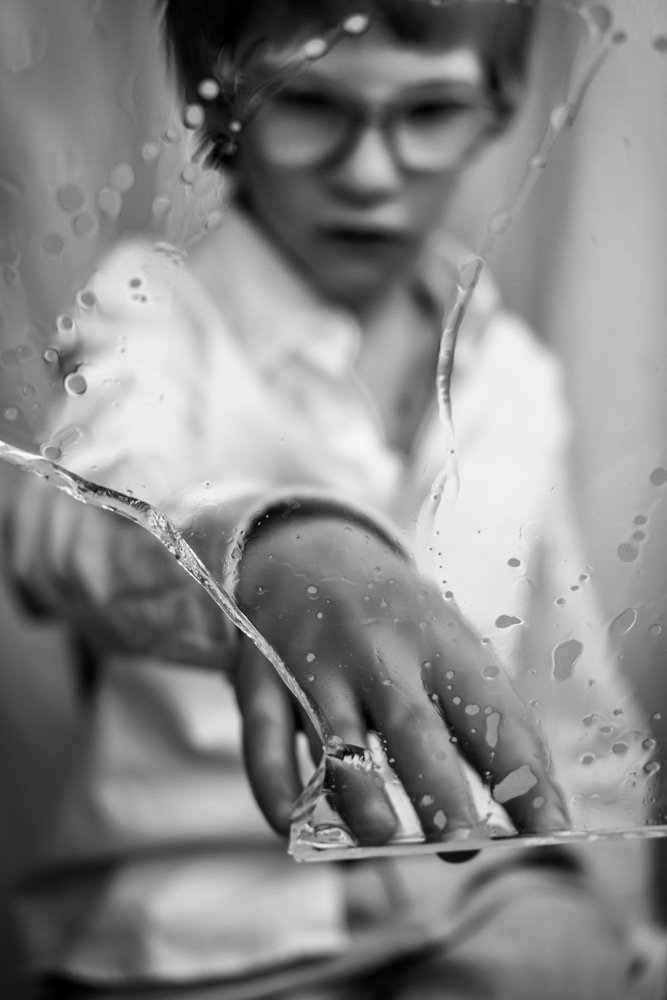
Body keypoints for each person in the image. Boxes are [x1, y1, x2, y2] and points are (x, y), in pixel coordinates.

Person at [3, 0, 658, 996]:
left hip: (481, 907)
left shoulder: (514, 376)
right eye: (307, 103)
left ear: (495, 107)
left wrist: (617, 930)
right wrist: (262, 548)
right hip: (197, 933)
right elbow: (76, 516)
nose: (368, 171)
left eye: (428, 111)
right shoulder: (148, 314)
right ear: (224, 110)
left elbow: (573, 710)